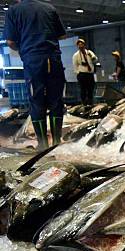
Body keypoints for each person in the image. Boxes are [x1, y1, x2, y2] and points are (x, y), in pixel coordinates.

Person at [4, 0, 67, 150]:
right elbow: (62, 35)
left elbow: (10, 41)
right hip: (53, 59)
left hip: (33, 61)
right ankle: (57, 141)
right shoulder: (49, 8)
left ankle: (43, 144)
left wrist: (25, 47)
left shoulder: (14, 11)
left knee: (37, 101)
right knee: (56, 101)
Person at [72, 38, 98, 106]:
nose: (80, 46)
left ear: (84, 45)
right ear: (77, 46)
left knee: (90, 89)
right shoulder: (76, 55)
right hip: (82, 74)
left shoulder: (89, 52)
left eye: (82, 44)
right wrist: (78, 73)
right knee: (83, 89)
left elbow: (95, 60)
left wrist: (91, 56)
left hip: (89, 74)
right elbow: (75, 65)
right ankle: (84, 103)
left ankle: (90, 102)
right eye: (79, 45)